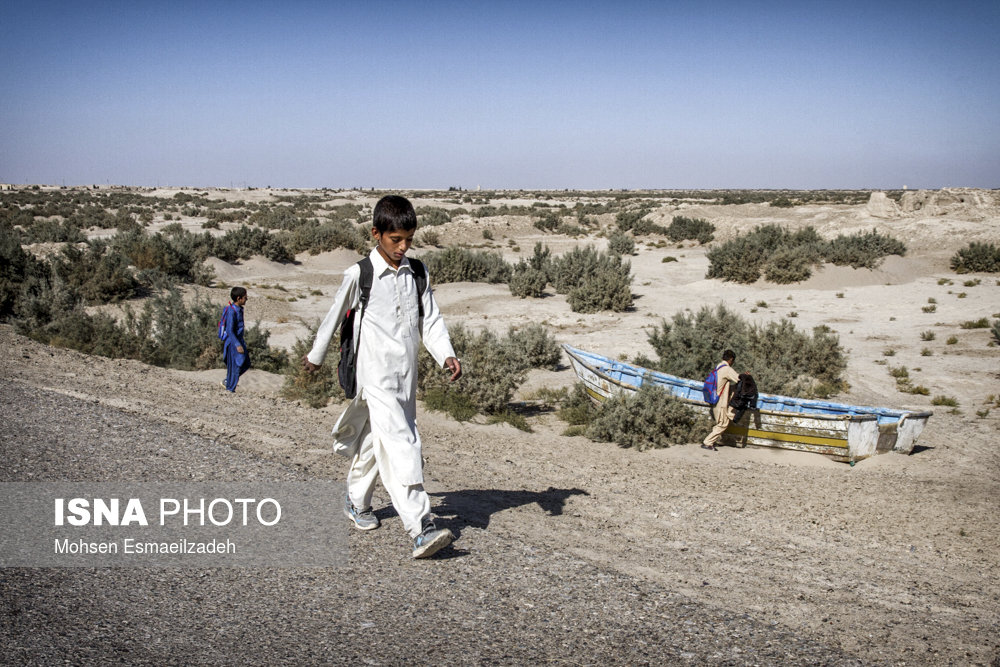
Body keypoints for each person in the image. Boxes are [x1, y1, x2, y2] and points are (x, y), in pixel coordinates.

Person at [303, 195, 462, 559]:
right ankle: (420, 527)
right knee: (403, 443)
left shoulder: (416, 273)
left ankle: (356, 500)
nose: (403, 247)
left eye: (409, 240)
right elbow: (333, 315)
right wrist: (315, 356)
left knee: (379, 441)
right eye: (396, 240)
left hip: (405, 377)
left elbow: (430, 319)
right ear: (376, 233)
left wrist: (446, 354)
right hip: (374, 375)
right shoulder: (360, 274)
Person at [702, 349, 740, 451]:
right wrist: (746, 377)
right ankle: (707, 442)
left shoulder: (719, 367)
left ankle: (710, 441)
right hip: (720, 401)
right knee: (723, 424)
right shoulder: (727, 369)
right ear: (731, 359)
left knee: (720, 423)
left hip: (714, 399)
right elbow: (739, 379)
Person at [222, 287, 251, 392]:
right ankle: (230, 388)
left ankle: (228, 381)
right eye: (245, 297)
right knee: (235, 366)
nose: (246, 299)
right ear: (239, 298)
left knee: (246, 363)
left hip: (239, 341)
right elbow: (229, 330)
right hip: (233, 343)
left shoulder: (239, 309)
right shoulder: (232, 311)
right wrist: (237, 344)